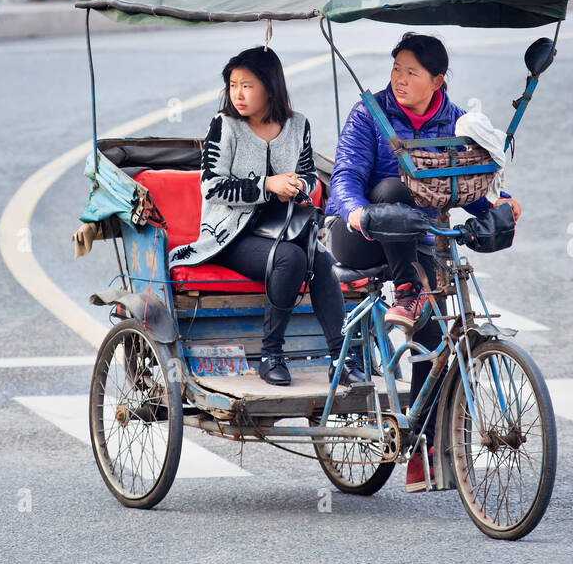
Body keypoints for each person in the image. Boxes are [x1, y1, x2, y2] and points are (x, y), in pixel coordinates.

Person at [326, 31, 521, 490]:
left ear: (437, 79)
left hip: (417, 242)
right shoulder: (369, 114)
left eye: (411, 72)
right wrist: (354, 211)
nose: (399, 79)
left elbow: (462, 185)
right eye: (396, 69)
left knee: (434, 335)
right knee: (395, 190)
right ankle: (408, 291)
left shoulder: (456, 122)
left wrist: (501, 204)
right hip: (360, 234)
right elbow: (345, 176)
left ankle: (421, 447)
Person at [170, 46, 367, 388]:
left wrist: (297, 184)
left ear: (270, 86)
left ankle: (341, 357)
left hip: (285, 228)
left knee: (319, 259)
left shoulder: (298, 125)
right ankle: (270, 354)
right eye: (233, 85)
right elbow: (211, 187)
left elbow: (308, 176)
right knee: (289, 259)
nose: (238, 94)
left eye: (247, 85)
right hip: (230, 235)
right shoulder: (224, 126)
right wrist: (267, 185)